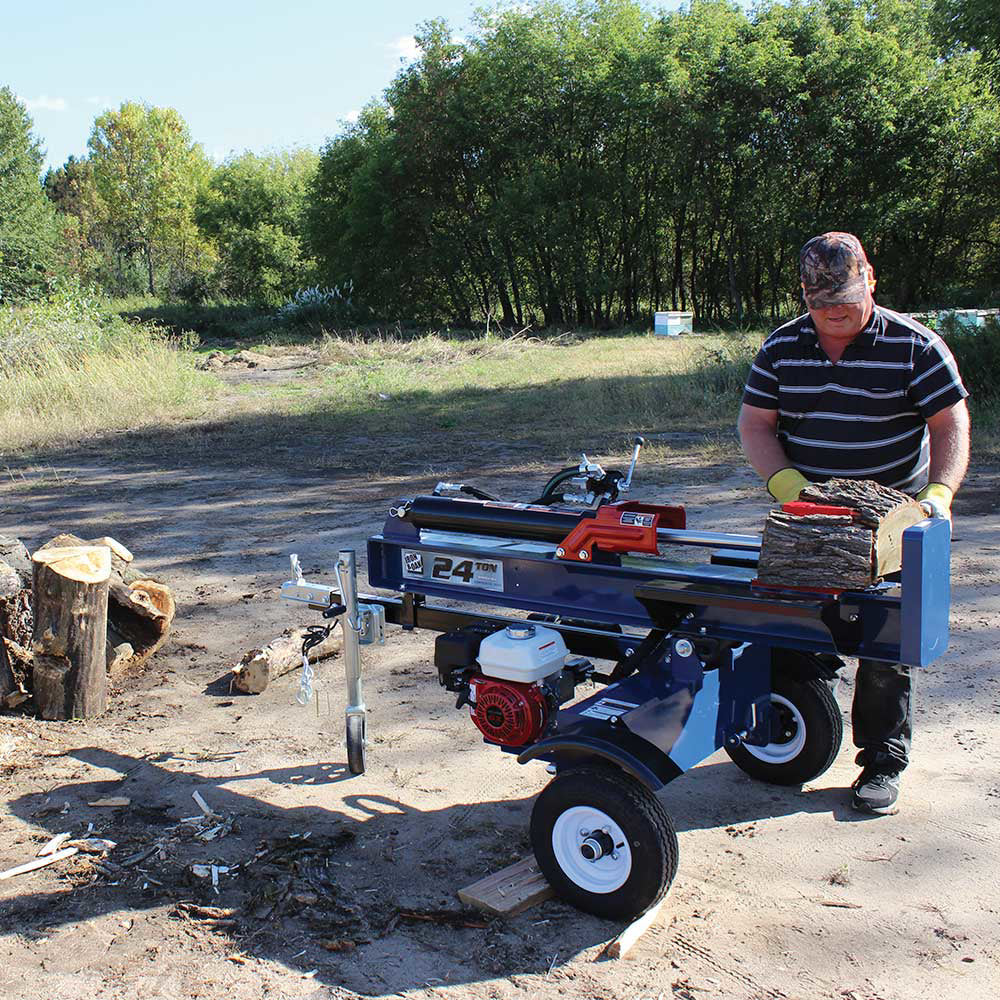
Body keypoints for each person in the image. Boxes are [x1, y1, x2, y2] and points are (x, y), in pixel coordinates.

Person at [738, 232, 970, 814]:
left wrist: (939, 496)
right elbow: (756, 425)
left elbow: (950, 424)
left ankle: (882, 762)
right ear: (804, 294)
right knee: (786, 622)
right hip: (809, 517)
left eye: (845, 298)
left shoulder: (915, 346)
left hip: (891, 517)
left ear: (870, 277)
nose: (835, 313)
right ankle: (794, 730)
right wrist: (791, 490)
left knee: (886, 639)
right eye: (822, 304)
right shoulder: (782, 348)